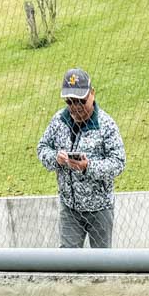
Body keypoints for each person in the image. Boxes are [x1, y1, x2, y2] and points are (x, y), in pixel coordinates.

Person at [37, 68, 127, 248]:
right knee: (68, 264)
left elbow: (118, 163)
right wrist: (56, 158)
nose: (76, 107)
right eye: (70, 102)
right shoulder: (58, 121)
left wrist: (88, 166)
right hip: (69, 208)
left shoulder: (106, 125)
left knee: (101, 265)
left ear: (92, 94)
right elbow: (42, 148)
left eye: (80, 101)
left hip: (100, 209)